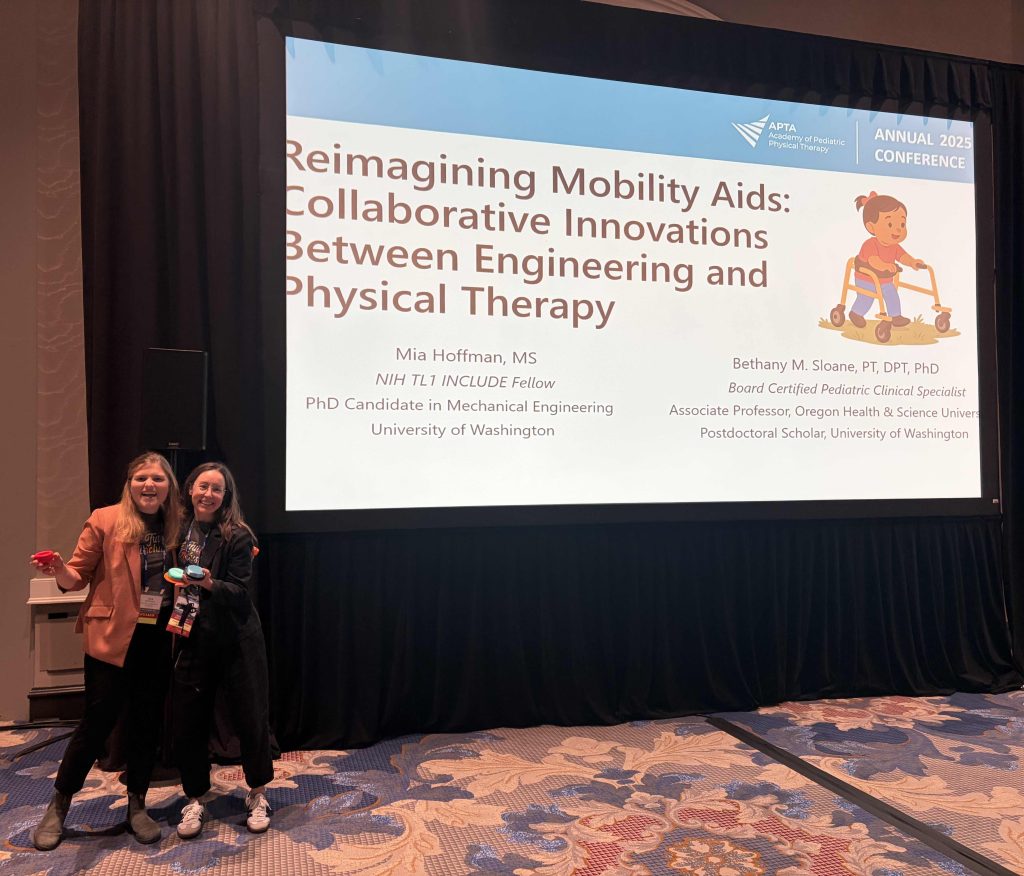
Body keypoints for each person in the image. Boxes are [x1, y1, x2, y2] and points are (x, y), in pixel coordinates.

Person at [28, 452, 182, 850]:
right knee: (96, 725)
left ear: (169, 486)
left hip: (156, 637)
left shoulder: (176, 524)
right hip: (111, 637)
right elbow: (76, 576)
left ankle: (137, 804)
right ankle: (58, 806)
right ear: (129, 484)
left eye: (158, 479)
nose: (149, 485)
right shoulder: (105, 519)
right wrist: (59, 569)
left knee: (146, 723)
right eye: (141, 478)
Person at [171, 462, 274, 838]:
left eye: (217, 489)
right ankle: (195, 797)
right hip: (192, 636)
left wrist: (212, 584)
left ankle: (258, 792)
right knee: (189, 721)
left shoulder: (238, 535)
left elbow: (241, 592)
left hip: (237, 639)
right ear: (190, 490)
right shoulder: (178, 531)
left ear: (225, 497)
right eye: (203, 486)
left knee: (250, 718)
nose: (208, 494)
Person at [848, 191, 928, 329]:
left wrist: (913, 262)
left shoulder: (894, 246)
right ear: (871, 227)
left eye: (902, 224)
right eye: (890, 224)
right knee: (866, 298)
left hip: (884, 279)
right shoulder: (870, 244)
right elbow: (873, 261)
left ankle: (895, 316)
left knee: (892, 294)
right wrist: (884, 265)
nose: (898, 229)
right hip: (866, 278)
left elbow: (903, 257)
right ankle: (855, 313)